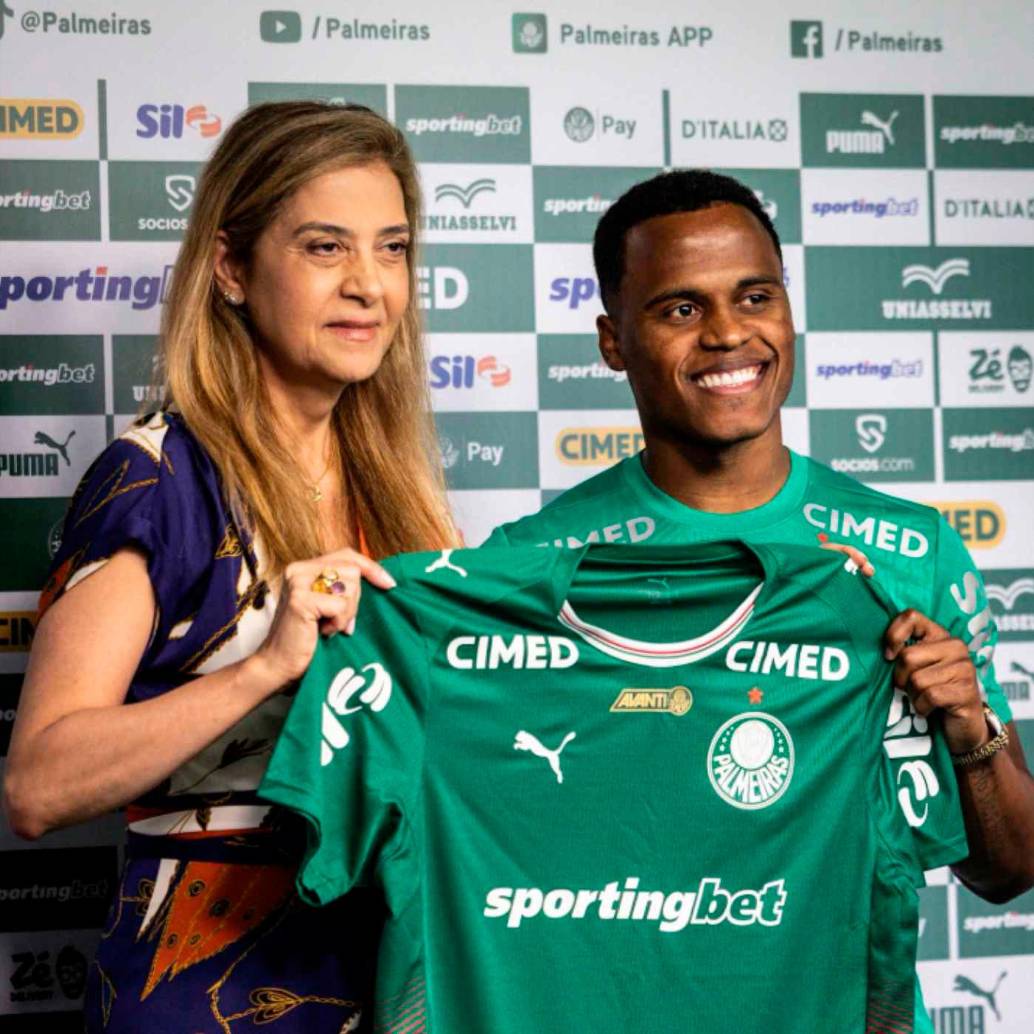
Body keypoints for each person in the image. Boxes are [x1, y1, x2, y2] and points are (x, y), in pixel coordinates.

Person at [485, 169, 1034, 1029]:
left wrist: (968, 729)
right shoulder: (525, 567)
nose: (728, 334)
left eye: (755, 296)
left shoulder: (910, 552)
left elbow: (1009, 871)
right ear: (611, 341)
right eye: (679, 309)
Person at [2, 101, 458, 1032]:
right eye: (326, 248)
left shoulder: (394, 486)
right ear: (231, 269)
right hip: (206, 990)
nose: (370, 285)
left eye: (394, 248)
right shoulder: (157, 478)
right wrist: (263, 670)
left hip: (387, 970)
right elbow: (38, 787)